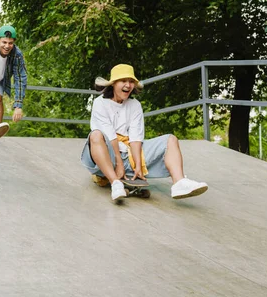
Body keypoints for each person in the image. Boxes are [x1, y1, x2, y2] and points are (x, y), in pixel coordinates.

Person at [80, 64, 209, 202]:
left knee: (170, 140)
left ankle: (179, 183)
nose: (128, 85)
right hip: (107, 155)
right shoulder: (100, 103)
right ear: (113, 84)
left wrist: (138, 164)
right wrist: (119, 163)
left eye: (131, 82)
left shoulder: (135, 105)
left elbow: (136, 137)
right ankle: (115, 183)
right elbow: (110, 135)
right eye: (123, 81)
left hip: (128, 153)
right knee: (96, 135)